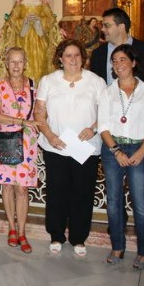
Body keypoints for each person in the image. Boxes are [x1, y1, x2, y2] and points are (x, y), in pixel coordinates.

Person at [90, 7, 144, 238]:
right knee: (114, 187)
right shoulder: (100, 54)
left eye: (107, 24)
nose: (103, 29)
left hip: (139, 131)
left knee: (143, 185)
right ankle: (117, 224)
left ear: (121, 26)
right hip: (111, 130)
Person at [34, 39, 105, 256]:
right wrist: (50, 135)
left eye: (77, 55)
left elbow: (106, 112)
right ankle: (56, 235)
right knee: (57, 192)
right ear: (60, 59)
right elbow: (39, 112)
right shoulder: (49, 80)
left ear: (83, 57)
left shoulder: (96, 81)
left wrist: (93, 128)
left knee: (82, 193)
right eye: (68, 55)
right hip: (56, 146)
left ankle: (78, 237)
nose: (73, 59)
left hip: (86, 147)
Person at [98, 44, 144, 269]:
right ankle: (117, 246)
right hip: (113, 149)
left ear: (133, 63)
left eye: (123, 60)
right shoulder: (107, 92)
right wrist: (116, 151)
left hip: (139, 148)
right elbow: (103, 126)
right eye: (114, 61)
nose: (118, 65)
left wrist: (143, 150)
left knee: (141, 202)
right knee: (114, 201)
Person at [0, 47, 41, 253]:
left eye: (20, 61)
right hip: (4, 140)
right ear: (6, 63)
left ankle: (22, 231)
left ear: (25, 63)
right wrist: (21, 121)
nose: (16, 65)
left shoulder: (34, 86)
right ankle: (11, 227)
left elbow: (39, 113)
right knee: (8, 186)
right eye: (12, 61)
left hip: (27, 143)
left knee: (23, 188)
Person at [0, 0, 60, 84]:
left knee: (40, 68)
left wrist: (38, 21)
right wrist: (25, 21)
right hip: (22, 43)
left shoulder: (43, 4)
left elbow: (49, 24)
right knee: (21, 65)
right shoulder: (20, 4)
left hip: (40, 45)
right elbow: (13, 23)